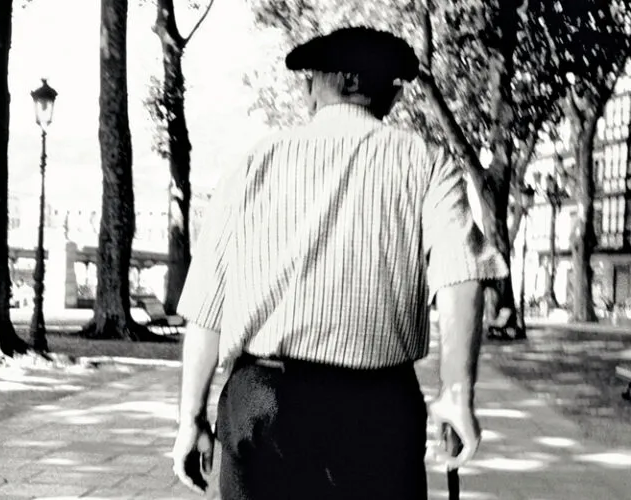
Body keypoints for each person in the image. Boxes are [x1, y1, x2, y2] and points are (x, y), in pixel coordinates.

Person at [171, 26, 509, 500]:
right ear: (381, 94)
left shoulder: (251, 165)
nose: (304, 89)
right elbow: (462, 277)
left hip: (263, 401)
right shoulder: (427, 164)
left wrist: (191, 418)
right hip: (378, 411)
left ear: (329, 84)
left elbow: (208, 305)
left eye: (307, 79)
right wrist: (456, 392)